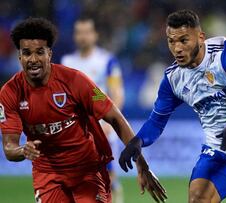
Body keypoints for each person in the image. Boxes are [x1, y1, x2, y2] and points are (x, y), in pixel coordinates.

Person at [120, 9, 226, 203]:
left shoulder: (225, 54)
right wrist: (138, 142)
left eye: (184, 40)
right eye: (171, 41)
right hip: (219, 152)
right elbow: (156, 122)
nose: (177, 49)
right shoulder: (173, 79)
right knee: (199, 198)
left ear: (200, 37)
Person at [0, 17, 167, 203]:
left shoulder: (76, 79)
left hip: (87, 169)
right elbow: (9, 147)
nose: (33, 59)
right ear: (19, 57)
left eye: (40, 52)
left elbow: (115, 117)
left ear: (49, 54)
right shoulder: (10, 92)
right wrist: (23, 150)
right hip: (47, 174)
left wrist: (142, 166)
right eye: (27, 53)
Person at [61, 17, 125, 203]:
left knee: (108, 178)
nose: (82, 36)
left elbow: (116, 94)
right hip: (76, 130)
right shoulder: (67, 61)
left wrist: (111, 122)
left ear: (95, 35)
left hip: (102, 127)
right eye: (79, 32)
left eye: (87, 32)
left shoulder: (107, 61)